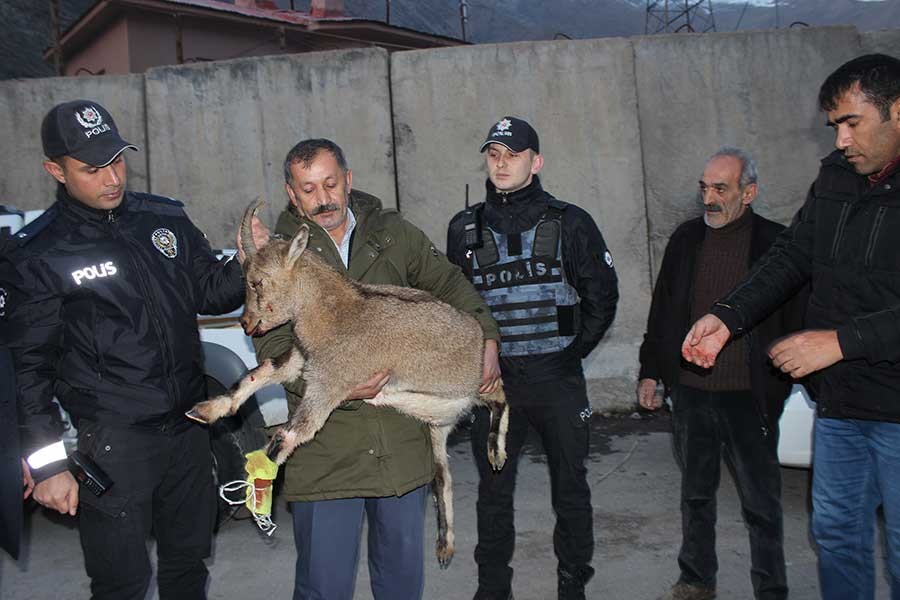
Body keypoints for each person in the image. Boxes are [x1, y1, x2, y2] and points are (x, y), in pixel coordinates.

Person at [0, 100, 246, 599]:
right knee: (122, 584)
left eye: (117, 160)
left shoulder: (164, 218)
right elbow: (28, 373)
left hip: (190, 429)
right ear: (56, 170)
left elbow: (212, 293)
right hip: (115, 446)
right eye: (92, 168)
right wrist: (48, 467)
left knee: (189, 566)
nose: (111, 177)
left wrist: (250, 261)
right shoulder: (39, 254)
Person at [682, 54, 900, 600]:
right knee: (835, 535)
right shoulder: (836, 176)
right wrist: (726, 316)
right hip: (843, 405)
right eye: (835, 127)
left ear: (897, 110)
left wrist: (839, 342)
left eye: (852, 122)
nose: (842, 140)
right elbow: (791, 256)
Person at [251, 138, 501, 600]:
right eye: (308, 189)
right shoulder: (278, 255)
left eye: (330, 183)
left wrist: (487, 335)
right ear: (292, 193)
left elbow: (448, 283)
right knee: (323, 588)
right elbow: (272, 340)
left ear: (348, 181)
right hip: (328, 451)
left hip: (400, 446)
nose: (323, 198)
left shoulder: (393, 234)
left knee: (401, 586)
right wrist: (338, 385)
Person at [446, 116, 619, 600]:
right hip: (495, 387)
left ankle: (572, 585)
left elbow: (602, 296)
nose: (501, 164)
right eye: (494, 154)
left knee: (571, 489)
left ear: (535, 161)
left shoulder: (570, 221)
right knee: (493, 493)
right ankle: (493, 588)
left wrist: (571, 354)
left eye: (513, 155)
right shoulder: (463, 229)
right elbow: (455, 309)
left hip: (556, 379)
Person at [638, 147, 805, 600]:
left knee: (761, 502)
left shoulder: (777, 244)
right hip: (691, 393)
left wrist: (788, 379)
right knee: (695, 496)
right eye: (704, 187)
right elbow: (664, 312)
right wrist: (651, 371)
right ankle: (696, 578)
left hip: (749, 396)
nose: (708, 198)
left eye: (720, 188)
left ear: (748, 193)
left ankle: (772, 587)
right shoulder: (685, 240)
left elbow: (795, 316)